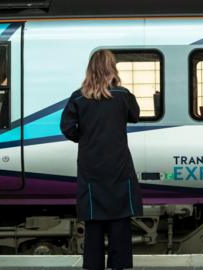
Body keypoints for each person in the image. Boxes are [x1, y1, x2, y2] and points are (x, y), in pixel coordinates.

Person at [60, 49, 143, 270]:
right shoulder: (123, 95)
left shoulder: (78, 97)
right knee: (120, 224)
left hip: (90, 168)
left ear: (90, 69)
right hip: (118, 167)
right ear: (112, 69)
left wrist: (85, 138)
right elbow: (135, 116)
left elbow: (67, 128)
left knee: (93, 225)